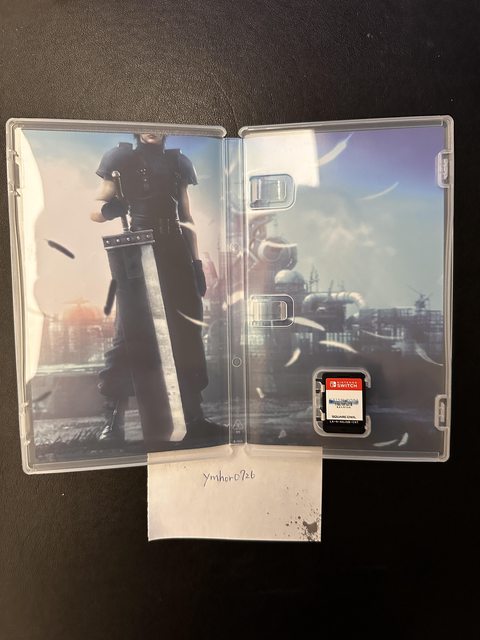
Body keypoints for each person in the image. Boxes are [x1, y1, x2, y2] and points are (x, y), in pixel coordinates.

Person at [91, 132, 226, 446]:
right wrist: (112, 209)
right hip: (137, 250)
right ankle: (113, 422)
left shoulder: (179, 162)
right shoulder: (119, 157)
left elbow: (187, 218)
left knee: (186, 332)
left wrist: (196, 263)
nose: (151, 130)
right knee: (129, 333)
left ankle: (194, 418)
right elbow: (94, 211)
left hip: (176, 251)